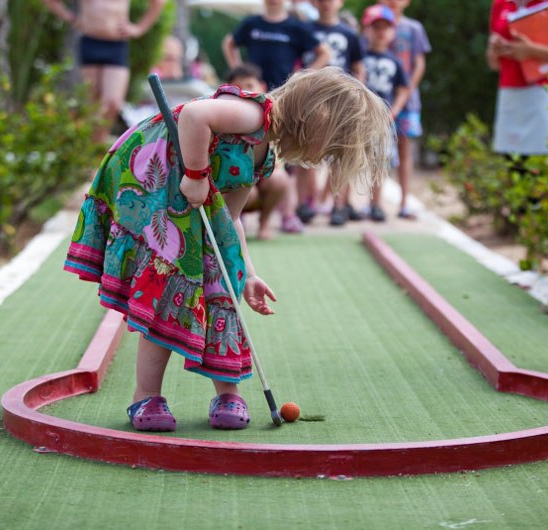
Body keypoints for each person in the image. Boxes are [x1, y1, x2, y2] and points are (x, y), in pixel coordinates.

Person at [64, 67, 393, 431]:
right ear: (318, 115)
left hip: (187, 197)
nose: (326, 154)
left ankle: (228, 394)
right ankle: (146, 396)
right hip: (152, 180)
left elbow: (230, 219)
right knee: (166, 294)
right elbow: (194, 115)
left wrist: (248, 273)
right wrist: (195, 175)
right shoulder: (253, 114)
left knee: (225, 290)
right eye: (332, 143)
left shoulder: (263, 152)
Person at [222, 0, 331, 233]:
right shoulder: (252, 23)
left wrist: (302, 78)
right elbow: (229, 43)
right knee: (246, 151)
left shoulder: (295, 27)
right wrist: (238, 72)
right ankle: (237, 216)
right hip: (251, 98)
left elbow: (324, 52)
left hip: (283, 100)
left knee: (285, 156)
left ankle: (288, 213)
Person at [43, 0, 166, 143]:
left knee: (113, 102)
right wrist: (70, 17)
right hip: (90, 42)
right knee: (91, 102)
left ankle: (97, 144)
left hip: (116, 45)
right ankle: (90, 150)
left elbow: (158, 2)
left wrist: (138, 29)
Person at [299, 0, 366, 227]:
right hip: (311, 98)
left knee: (342, 153)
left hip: (342, 101)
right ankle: (305, 203)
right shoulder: (304, 29)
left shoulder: (349, 34)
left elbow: (358, 67)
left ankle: (338, 206)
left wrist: (359, 97)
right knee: (306, 150)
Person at [486, 0, 548, 158]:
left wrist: (531, 50)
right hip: (510, 97)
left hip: (546, 96)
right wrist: (494, 49)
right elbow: (494, 64)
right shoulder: (500, 3)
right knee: (515, 167)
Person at [379, 0, 431, 220]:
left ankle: (404, 202)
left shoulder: (413, 28)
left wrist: (406, 90)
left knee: (405, 148)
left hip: (408, 102)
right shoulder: (376, 24)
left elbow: (419, 64)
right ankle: (376, 204)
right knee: (377, 151)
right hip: (380, 101)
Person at [225, 64, 289, 240]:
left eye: (249, 86)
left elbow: (277, 168)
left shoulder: (272, 117)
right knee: (246, 190)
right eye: (238, 88)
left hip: (261, 178)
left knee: (280, 180)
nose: (245, 92)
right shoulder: (225, 119)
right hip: (232, 181)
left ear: (261, 87)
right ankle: (234, 220)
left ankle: (264, 222)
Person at [361, 4, 409, 222]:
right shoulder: (359, 58)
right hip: (359, 118)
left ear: (392, 32)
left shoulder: (395, 62)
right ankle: (341, 205)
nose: (380, 32)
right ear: (367, 30)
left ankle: (376, 204)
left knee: (380, 163)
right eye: (375, 27)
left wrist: (394, 111)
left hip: (382, 121)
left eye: (385, 27)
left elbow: (403, 89)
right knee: (347, 160)